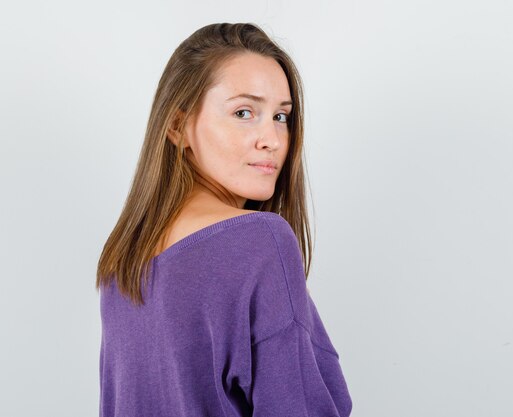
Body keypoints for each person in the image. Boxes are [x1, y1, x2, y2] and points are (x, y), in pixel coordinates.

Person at [95, 22, 352, 417]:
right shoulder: (260, 241)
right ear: (178, 126)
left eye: (281, 117)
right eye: (244, 112)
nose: (273, 139)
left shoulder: (123, 263)